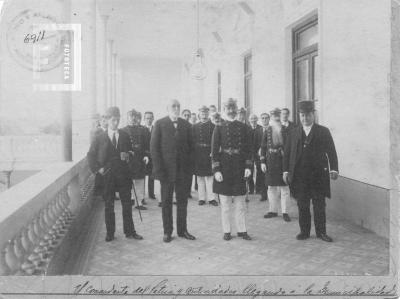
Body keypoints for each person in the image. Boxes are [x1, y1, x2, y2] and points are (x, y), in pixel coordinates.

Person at [283, 100, 338, 242]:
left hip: (318, 176)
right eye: (302, 115)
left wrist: (334, 169)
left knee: (319, 205)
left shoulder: (323, 131)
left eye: (307, 115)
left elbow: (331, 151)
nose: (304, 118)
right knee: (303, 205)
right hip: (300, 177)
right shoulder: (293, 133)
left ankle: (321, 232)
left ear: (313, 115)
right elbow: (287, 153)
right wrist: (285, 171)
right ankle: (304, 231)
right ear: (299, 116)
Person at [87, 106, 143, 242]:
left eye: (118, 120)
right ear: (107, 120)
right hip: (107, 176)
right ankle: (110, 233)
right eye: (113, 120)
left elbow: (131, 152)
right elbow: (90, 155)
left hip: (123, 175)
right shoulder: (99, 137)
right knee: (109, 205)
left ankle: (130, 231)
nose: (116, 123)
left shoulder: (124, 135)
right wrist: (98, 169)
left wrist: (128, 155)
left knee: (127, 204)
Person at [150, 99, 196, 243]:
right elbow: (154, 149)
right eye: (173, 106)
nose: (176, 109)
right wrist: (159, 170)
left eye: (178, 106)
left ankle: (182, 230)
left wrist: (189, 170)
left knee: (182, 202)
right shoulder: (159, 124)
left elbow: (192, 148)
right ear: (167, 108)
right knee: (166, 202)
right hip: (166, 172)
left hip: (183, 172)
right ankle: (167, 231)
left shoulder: (186, 125)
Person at [212, 98, 253, 241]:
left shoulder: (244, 127)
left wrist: (248, 166)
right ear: (224, 110)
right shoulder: (219, 127)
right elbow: (214, 151)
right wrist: (216, 170)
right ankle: (227, 230)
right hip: (224, 168)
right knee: (225, 204)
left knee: (240, 203)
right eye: (228, 108)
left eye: (233, 108)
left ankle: (242, 230)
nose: (231, 111)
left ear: (236, 109)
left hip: (239, 167)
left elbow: (249, 150)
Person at [261, 108, 291, 222]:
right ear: (271, 117)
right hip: (270, 161)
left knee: (284, 188)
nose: (276, 118)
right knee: (271, 187)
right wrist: (263, 162)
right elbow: (263, 147)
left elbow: (289, 146)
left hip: (283, 161)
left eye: (278, 115)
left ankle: (285, 212)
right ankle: (272, 210)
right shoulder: (267, 130)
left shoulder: (286, 130)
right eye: (274, 116)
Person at [123, 109, 150, 211]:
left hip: (139, 159)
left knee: (139, 180)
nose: (133, 118)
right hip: (128, 160)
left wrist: (146, 155)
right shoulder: (123, 130)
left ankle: (139, 202)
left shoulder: (143, 130)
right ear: (127, 118)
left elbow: (147, 144)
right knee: (128, 181)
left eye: (134, 116)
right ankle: (129, 200)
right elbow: (120, 147)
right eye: (131, 116)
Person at [193, 105, 218, 206]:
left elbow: (216, 141)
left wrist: (214, 152)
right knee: (200, 177)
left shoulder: (213, 126)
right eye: (202, 113)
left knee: (209, 177)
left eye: (205, 113)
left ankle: (212, 198)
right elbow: (192, 141)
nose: (204, 114)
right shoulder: (194, 127)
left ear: (208, 114)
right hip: (198, 154)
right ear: (199, 114)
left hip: (209, 153)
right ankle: (201, 198)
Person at [143, 111, 157, 203]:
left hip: (153, 156)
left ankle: (151, 194)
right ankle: (142, 196)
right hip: (144, 156)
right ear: (144, 119)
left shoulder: (156, 129)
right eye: (147, 118)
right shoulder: (141, 129)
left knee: (152, 175)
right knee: (142, 177)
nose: (149, 120)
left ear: (153, 119)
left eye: (150, 118)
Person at [248, 114, 262, 196]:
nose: (253, 120)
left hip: (258, 152)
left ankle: (258, 188)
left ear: (257, 119)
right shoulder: (246, 128)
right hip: (249, 153)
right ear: (249, 120)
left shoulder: (260, 128)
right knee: (250, 169)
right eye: (251, 119)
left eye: (254, 119)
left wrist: (260, 149)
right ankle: (251, 188)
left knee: (259, 169)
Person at [258, 113, 270, 201]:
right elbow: (254, 144)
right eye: (263, 118)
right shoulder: (258, 131)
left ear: (269, 119)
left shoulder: (272, 129)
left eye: (266, 118)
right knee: (261, 175)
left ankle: (271, 195)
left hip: (270, 156)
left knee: (270, 175)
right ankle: (263, 194)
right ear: (260, 120)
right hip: (260, 156)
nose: (264, 120)